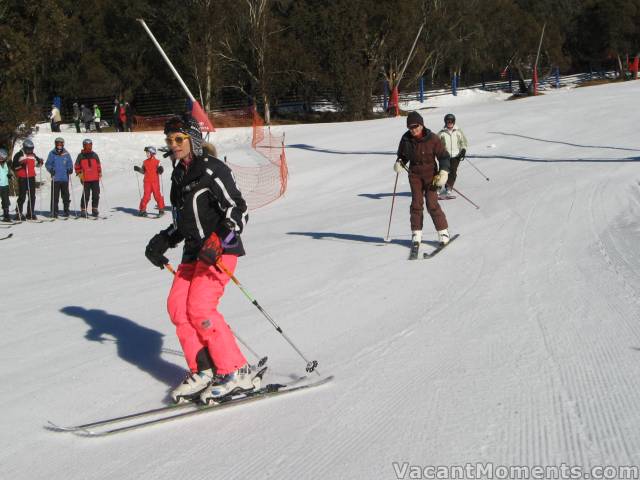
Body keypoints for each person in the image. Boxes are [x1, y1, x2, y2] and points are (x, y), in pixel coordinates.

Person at [144, 114, 254, 404]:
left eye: (178, 139)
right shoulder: (178, 176)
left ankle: (235, 370)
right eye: (169, 140)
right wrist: (163, 240)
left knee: (200, 308)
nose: (173, 144)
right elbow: (183, 222)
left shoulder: (212, 169)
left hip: (219, 251)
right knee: (177, 308)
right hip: (193, 252)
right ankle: (203, 369)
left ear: (192, 139)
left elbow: (238, 209)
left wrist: (220, 239)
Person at [394, 111, 451, 254]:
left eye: (416, 126)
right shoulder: (406, 139)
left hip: (431, 175)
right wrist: (400, 163)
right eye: (411, 127)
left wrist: (443, 172)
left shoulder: (432, 138)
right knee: (416, 204)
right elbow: (403, 155)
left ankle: (443, 232)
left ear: (422, 124)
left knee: (432, 203)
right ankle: (416, 234)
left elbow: (444, 156)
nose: (414, 130)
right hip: (414, 175)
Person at [438, 113, 468, 196]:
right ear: (445, 122)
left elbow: (464, 142)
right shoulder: (441, 133)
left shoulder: (458, 131)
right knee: (443, 171)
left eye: (451, 121)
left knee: (453, 172)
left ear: (454, 122)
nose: (450, 123)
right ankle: (438, 188)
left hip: (456, 156)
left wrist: (463, 150)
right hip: (445, 156)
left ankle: (448, 187)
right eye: (448, 121)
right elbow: (436, 144)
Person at [12, 139, 43, 220]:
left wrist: (40, 162)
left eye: (31, 149)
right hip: (22, 178)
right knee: (22, 196)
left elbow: (37, 164)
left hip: (31, 177)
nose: (30, 151)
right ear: (25, 148)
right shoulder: (19, 155)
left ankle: (30, 212)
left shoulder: (33, 155)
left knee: (32, 196)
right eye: (28, 149)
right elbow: (14, 167)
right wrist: (21, 164)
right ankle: (19, 212)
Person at [45, 137, 73, 218]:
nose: (59, 145)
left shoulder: (66, 154)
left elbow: (69, 163)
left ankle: (66, 210)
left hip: (64, 178)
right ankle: (54, 212)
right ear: (55, 144)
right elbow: (48, 164)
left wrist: (70, 169)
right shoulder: (52, 153)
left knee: (66, 195)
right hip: (55, 178)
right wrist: (51, 170)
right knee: (55, 196)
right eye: (57, 143)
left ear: (63, 144)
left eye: (61, 143)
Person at [134, 146, 165, 216]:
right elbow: (143, 171)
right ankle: (142, 210)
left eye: (148, 153)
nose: (146, 154)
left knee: (157, 196)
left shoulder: (157, 162)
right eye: (146, 153)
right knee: (146, 196)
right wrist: (138, 169)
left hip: (155, 182)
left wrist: (160, 170)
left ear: (152, 153)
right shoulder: (145, 162)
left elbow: (161, 171)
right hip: (147, 182)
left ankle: (161, 209)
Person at [74, 138, 101, 217]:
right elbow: (77, 166)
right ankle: (83, 209)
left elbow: (98, 165)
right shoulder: (80, 156)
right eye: (87, 145)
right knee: (86, 195)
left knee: (96, 194)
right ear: (84, 146)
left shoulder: (94, 155)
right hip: (85, 178)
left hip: (95, 178)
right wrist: (80, 174)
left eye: (90, 145)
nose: (88, 147)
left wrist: (99, 172)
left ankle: (94, 209)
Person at [0, 148, 12, 222]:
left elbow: (9, 172)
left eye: (3, 158)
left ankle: (6, 215)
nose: (1, 159)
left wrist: (10, 175)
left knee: (5, 200)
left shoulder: (6, 164)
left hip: (5, 185)